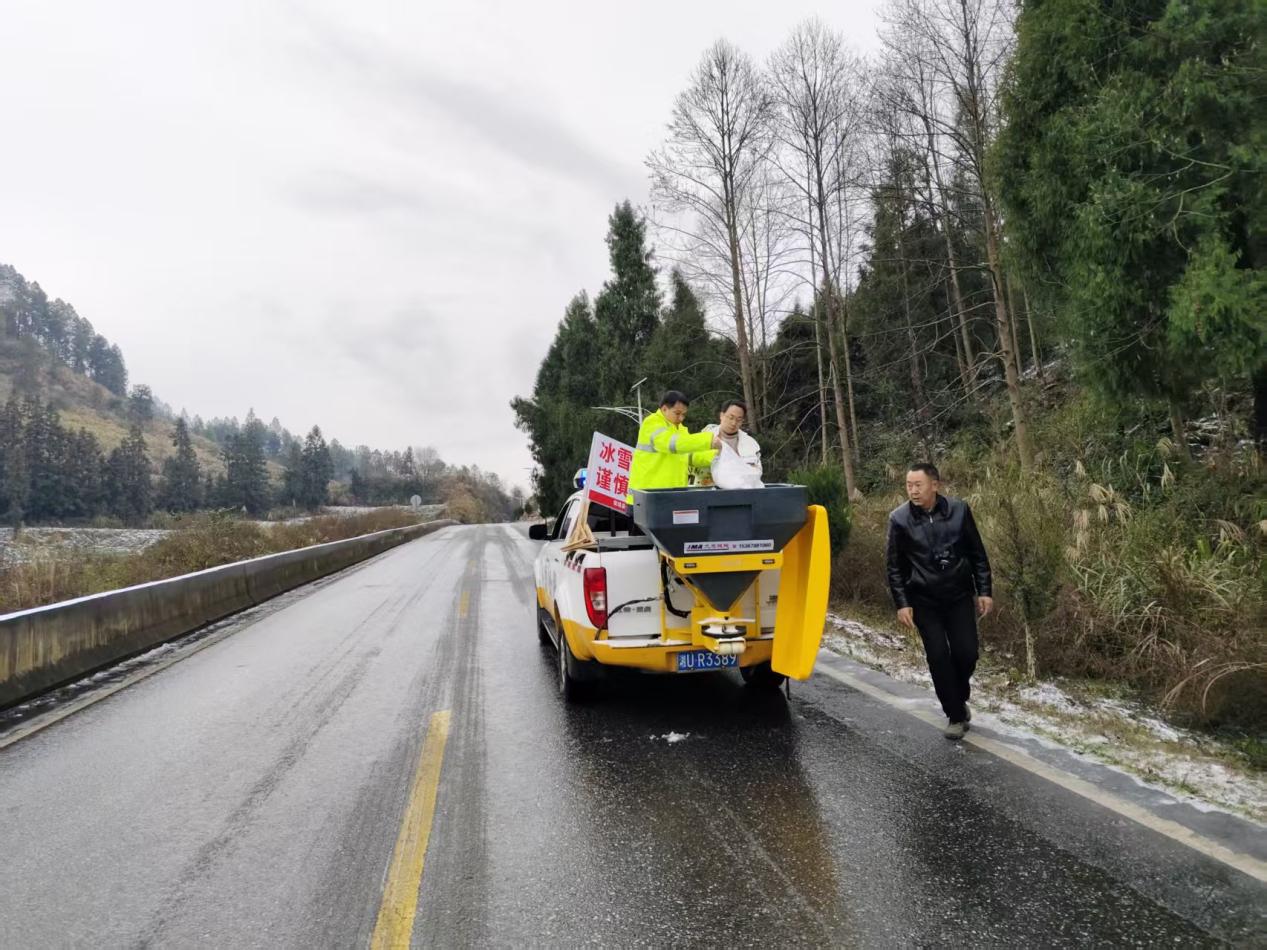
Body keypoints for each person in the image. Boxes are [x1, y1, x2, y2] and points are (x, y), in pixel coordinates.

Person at [885, 463, 993, 740]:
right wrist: (902, 603)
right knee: (938, 657)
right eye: (909, 485)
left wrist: (984, 591)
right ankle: (955, 715)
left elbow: (977, 553)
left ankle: (958, 696)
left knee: (967, 653)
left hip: (958, 596)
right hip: (924, 600)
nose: (913, 490)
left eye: (918, 485)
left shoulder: (959, 510)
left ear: (935, 485)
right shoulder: (899, 519)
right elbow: (894, 567)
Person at [628, 390, 721, 498]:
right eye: (677, 413)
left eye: (684, 414)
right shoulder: (652, 423)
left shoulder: (680, 429)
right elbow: (672, 444)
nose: (681, 418)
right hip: (646, 497)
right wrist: (708, 440)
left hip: (671, 496)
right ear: (664, 409)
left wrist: (718, 455)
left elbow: (691, 456)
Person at [698, 399, 761, 484]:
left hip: (740, 489)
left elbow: (757, 472)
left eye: (739, 420)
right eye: (731, 418)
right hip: (709, 488)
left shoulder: (750, 443)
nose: (734, 423)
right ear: (721, 415)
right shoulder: (706, 437)